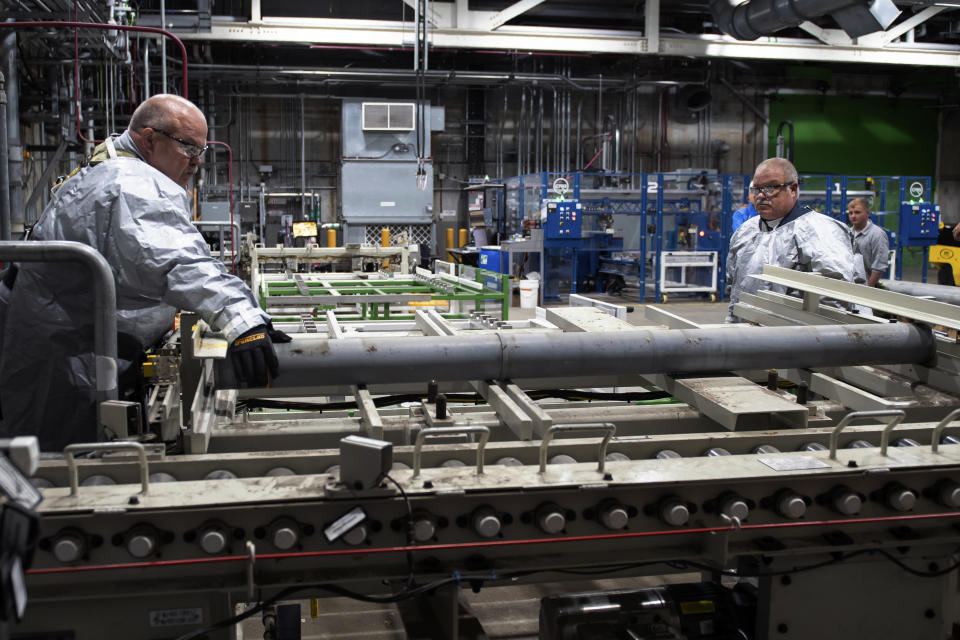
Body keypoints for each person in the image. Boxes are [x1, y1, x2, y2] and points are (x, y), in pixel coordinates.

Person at [0, 94, 287, 451]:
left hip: (57, 341)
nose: (197, 163)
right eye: (188, 148)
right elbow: (176, 260)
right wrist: (243, 321)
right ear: (150, 140)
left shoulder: (112, 165)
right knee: (70, 470)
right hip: (70, 361)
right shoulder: (130, 184)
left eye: (201, 151)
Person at [725, 157, 858, 323]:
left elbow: (834, 299)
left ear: (793, 189)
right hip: (745, 336)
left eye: (770, 188)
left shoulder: (820, 231)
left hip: (793, 339)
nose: (760, 195)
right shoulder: (745, 231)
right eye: (756, 189)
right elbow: (734, 286)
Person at [847, 197, 889, 287]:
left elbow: (879, 265)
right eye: (850, 213)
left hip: (866, 287)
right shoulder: (848, 233)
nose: (853, 216)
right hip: (849, 285)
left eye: (857, 212)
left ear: (867, 213)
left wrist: (868, 288)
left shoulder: (877, 234)